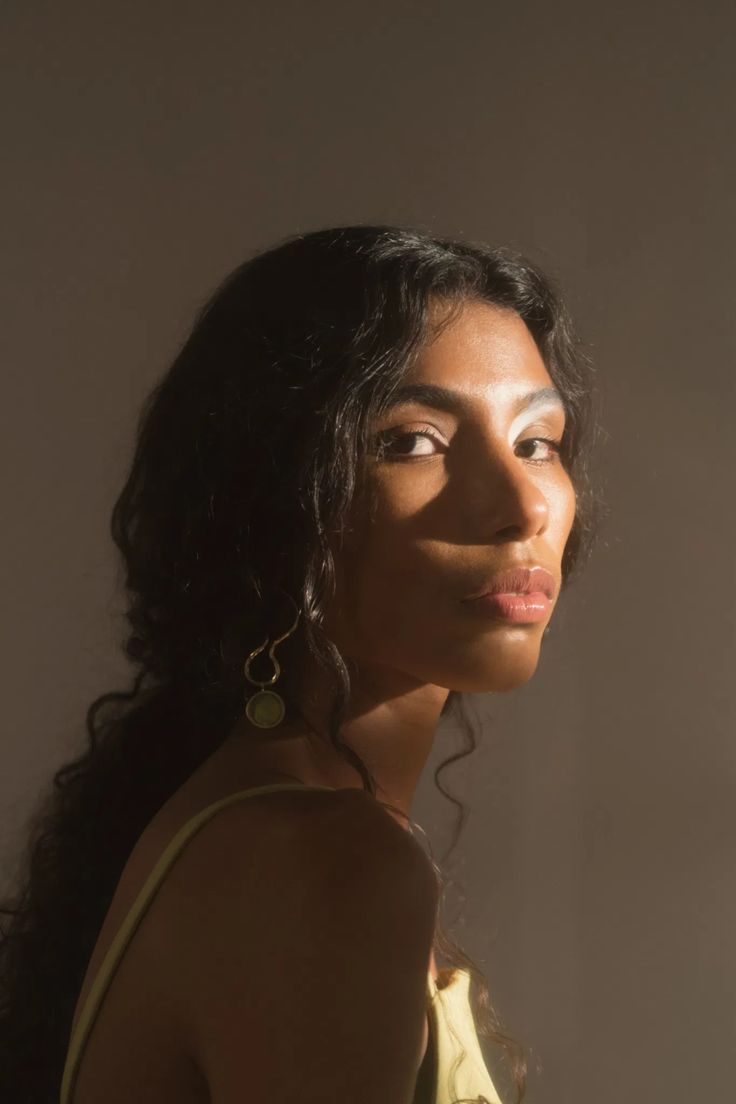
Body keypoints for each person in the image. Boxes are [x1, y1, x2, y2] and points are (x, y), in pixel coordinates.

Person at [0, 224, 604, 1103]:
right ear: (276, 501)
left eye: (537, 442)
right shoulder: (326, 861)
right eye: (412, 441)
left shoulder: (263, 822)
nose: (519, 508)